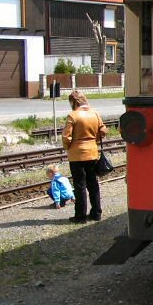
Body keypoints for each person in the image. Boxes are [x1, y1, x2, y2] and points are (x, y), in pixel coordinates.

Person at [62, 90, 107, 223]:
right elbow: (103, 130)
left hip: (77, 155)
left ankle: (80, 216)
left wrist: (68, 147)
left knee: (80, 185)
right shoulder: (95, 113)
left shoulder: (73, 116)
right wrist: (95, 140)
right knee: (93, 184)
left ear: (73, 102)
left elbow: (66, 137)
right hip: (92, 152)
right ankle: (96, 212)